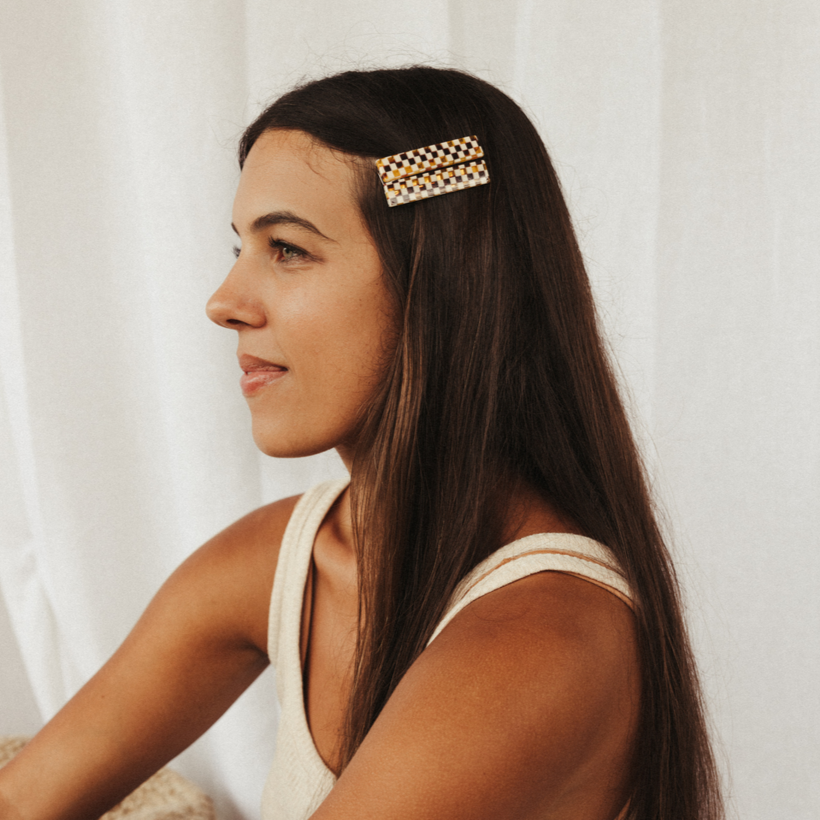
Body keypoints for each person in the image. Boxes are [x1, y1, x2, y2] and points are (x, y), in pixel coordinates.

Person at [0, 67, 723, 820]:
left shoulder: (545, 637)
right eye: (240, 248)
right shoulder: (290, 561)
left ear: (439, 280)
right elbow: (21, 800)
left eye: (287, 248)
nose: (224, 302)